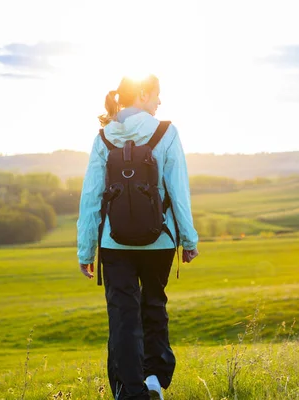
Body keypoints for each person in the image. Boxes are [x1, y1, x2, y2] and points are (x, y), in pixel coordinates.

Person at [77, 74, 199, 400]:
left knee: (122, 315)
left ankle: (130, 392)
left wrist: (85, 250)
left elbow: (91, 198)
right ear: (144, 93)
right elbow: (179, 191)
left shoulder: (103, 137)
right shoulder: (167, 133)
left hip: (114, 243)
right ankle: (155, 381)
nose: (160, 103)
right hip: (159, 239)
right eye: (158, 95)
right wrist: (188, 239)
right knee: (154, 306)